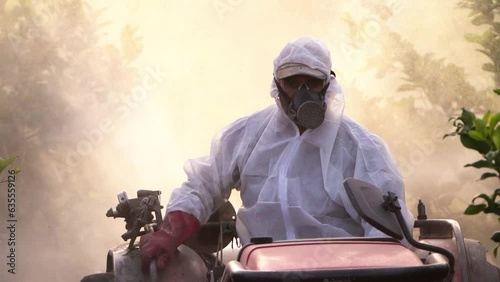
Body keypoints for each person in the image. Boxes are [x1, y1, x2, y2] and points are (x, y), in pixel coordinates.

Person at [140, 36, 415, 273]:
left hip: (340, 272)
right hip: (256, 271)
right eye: (293, 82)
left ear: (329, 84)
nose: (302, 93)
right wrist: (170, 232)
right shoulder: (248, 135)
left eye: (313, 82)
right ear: (277, 84)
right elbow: (203, 184)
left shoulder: (361, 147)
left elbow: (388, 234)